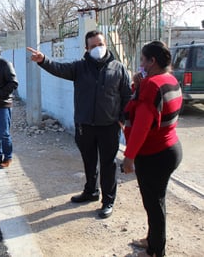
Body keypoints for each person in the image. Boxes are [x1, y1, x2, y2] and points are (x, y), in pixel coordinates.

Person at [27, 30, 132, 218]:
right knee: (89, 161)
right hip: (85, 125)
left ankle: (108, 200)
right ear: (86, 48)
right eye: (93, 46)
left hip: (109, 126)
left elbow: (126, 96)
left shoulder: (118, 68)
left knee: (108, 165)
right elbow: (59, 69)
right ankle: (90, 192)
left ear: (105, 44)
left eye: (100, 44)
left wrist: (122, 119)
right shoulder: (80, 67)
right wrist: (43, 60)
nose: (97, 48)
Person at [122, 41, 183, 257]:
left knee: (153, 204)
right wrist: (138, 87)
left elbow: (141, 126)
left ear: (152, 61)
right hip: (171, 148)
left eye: (142, 60)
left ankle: (156, 251)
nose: (140, 64)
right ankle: (152, 240)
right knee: (157, 200)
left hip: (154, 154)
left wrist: (129, 157)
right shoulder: (170, 79)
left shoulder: (152, 85)